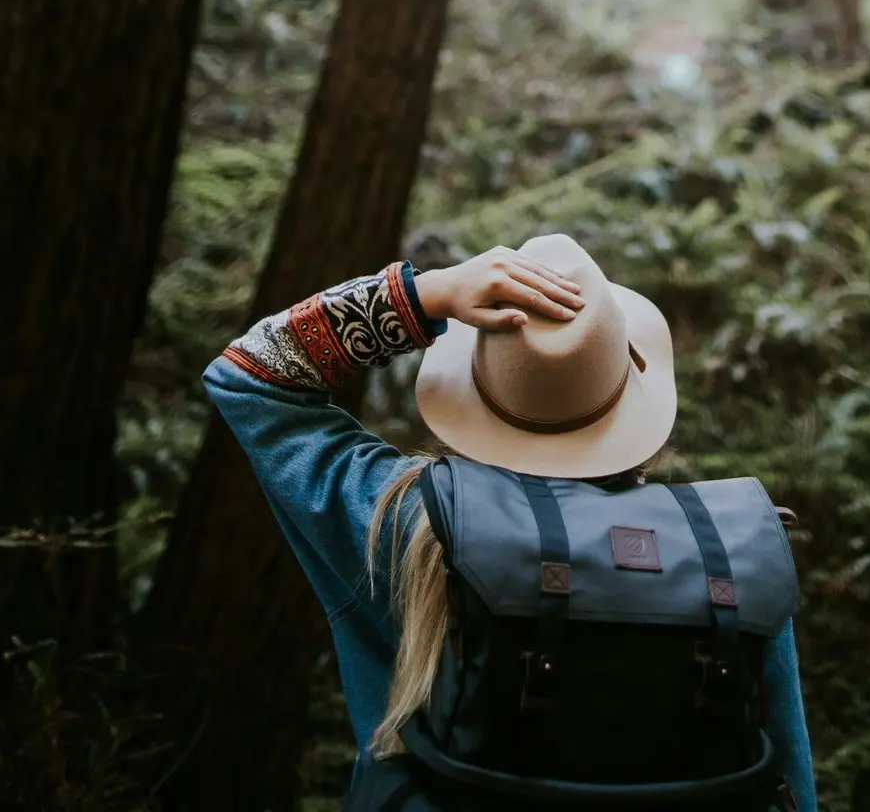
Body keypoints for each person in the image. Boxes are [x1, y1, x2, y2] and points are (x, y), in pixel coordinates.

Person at [205, 233, 818, 811]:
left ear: (477, 392)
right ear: (629, 389)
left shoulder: (410, 524)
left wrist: (425, 295)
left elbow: (251, 376)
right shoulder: (729, 548)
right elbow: (785, 777)